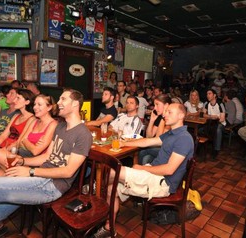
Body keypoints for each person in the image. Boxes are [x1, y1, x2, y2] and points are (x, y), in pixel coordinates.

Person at [0, 89, 92, 237]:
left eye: (63, 99)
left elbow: (68, 171)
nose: (59, 103)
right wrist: (22, 161)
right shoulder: (61, 127)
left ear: (75, 104)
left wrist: (30, 171)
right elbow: (46, 157)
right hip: (39, 176)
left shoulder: (83, 134)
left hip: (51, 185)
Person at [93, 103, 194, 237]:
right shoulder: (171, 133)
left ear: (181, 115)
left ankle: (95, 187)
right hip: (153, 174)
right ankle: (108, 228)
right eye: (166, 112)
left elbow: (169, 170)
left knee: (111, 172)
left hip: (163, 183)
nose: (164, 115)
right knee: (111, 190)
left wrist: (140, 168)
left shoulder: (184, 138)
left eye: (169, 112)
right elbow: (147, 141)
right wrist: (125, 143)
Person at [140, 94, 172, 165]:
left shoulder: (170, 118)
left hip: (168, 151)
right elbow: (149, 136)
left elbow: (159, 139)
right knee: (146, 158)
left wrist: (163, 117)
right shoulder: (160, 117)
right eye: (154, 105)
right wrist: (152, 120)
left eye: (157, 105)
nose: (155, 108)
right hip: (158, 149)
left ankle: (137, 171)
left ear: (166, 105)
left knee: (143, 151)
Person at [203, 89, 226, 159]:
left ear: (214, 95)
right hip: (210, 122)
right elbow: (204, 115)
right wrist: (212, 116)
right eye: (207, 94)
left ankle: (216, 149)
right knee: (201, 129)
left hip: (220, 123)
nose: (207, 95)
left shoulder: (220, 104)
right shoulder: (206, 103)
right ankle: (202, 147)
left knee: (218, 129)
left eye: (209, 93)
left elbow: (222, 118)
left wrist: (215, 118)